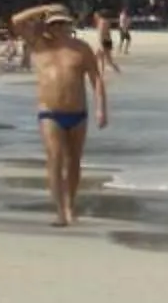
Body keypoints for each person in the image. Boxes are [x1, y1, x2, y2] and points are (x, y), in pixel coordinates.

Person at [26, 13, 109, 228]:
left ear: (70, 25)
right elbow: (16, 21)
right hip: (49, 112)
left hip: (77, 113)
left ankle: (70, 206)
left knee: (73, 161)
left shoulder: (81, 49)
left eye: (63, 23)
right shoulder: (39, 46)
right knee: (55, 157)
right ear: (48, 26)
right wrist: (45, 9)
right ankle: (60, 211)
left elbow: (96, 79)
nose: (59, 27)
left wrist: (101, 109)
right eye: (54, 24)